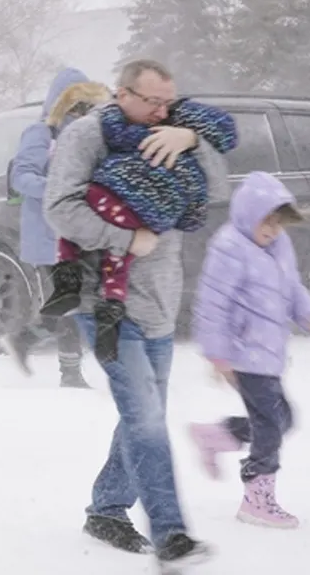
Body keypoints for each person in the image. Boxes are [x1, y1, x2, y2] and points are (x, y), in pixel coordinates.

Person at [42, 59, 227, 569]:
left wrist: (191, 141)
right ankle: (172, 536)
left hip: (159, 302)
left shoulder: (175, 128)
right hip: (103, 302)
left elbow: (216, 191)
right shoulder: (87, 135)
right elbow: (58, 207)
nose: (162, 110)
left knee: (142, 416)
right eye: (151, 101)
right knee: (145, 419)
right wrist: (127, 237)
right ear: (122, 93)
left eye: (168, 101)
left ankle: (106, 509)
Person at [187, 172, 310, 529]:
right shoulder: (229, 249)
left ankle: (218, 436)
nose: (272, 230)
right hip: (242, 353)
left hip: (267, 353)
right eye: (265, 222)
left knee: (283, 419)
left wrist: (309, 317)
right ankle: (257, 497)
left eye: (278, 223)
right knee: (271, 425)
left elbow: (292, 286)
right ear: (246, 215)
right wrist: (218, 356)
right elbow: (212, 305)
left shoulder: (278, 245)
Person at [40, 98, 237, 362]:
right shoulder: (187, 154)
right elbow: (201, 206)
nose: (161, 111)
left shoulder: (157, 134)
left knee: (85, 232)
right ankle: (108, 307)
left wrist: (191, 139)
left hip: (113, 203)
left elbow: (117, 134)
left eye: (167, 107)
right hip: (140, 223)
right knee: (117, 261)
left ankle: (68, 282)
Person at [5, 70, 108, 388]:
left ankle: (25, 339)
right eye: (75, 104)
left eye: (86, 105)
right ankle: (70, 373)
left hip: (75, 233)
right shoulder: (40, 134)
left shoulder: (86, 136)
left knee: (74, 299)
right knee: (71, 300)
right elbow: (21, 177)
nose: (81, 111)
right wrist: (60, 189)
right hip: (46, 235)